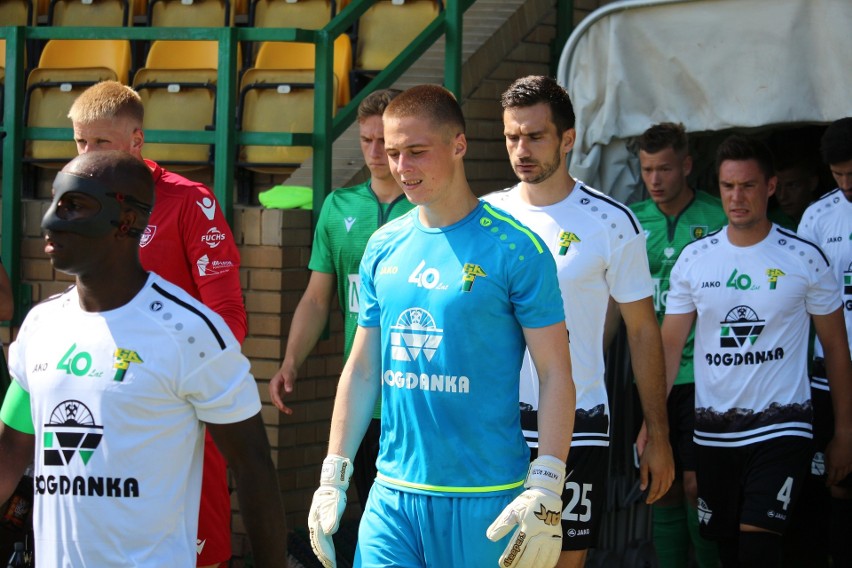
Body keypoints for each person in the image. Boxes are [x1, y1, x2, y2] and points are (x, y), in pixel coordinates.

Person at [307, 84, 576, 568]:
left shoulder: (517, 249)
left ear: (458, 145)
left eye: (416, 152)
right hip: (391, 497)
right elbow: (364, 368)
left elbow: (556, 372)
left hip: (487, 498)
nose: (402, 168)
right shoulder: (382, 246)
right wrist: (334, 473)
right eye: (392, 153)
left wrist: (548, 481)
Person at [0, 151, 288, 567]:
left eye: (74, 205)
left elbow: (254, 467)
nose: (50, 219)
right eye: (53, 201)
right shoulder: (40, 326)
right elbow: (10, 449)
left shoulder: (192, 333)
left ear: (126, 222)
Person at [482, 75, 674, 568]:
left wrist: (659, 434)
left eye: (535, 135)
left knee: (561, 564)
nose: (521, 149)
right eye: (511, 137)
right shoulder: (483, 217)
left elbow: (643, 332)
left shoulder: (613, 222)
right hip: (493, 425)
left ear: (568, 139)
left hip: (578, 426)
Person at [67, 80, 246, 568]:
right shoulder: (76, 205)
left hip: (176, 409)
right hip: (101, 408)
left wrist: (163, 376)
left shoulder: (189, 201)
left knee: (199, 555)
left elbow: (229, 320)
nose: (87, 154)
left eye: (100, 142)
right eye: (81, 142)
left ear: (136, 140)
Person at [661, 134, 852, 568]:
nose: (737, 197)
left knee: (759, 544)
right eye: (728, 187)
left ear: (770, 186)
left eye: (747, 185)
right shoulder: (694, 258)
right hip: (714, 432)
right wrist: (653, 423)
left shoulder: (805, 257)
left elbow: (836, 349)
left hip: (782, 427)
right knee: (728, 548)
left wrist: (846, 432)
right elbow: (668, 347)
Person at [269, 88, 414, 507]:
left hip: (421, 391)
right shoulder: (338, 207)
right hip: (363, 400)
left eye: (383, 141)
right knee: (372, 518)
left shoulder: (430, 208)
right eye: (366, 140)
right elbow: (316, 299)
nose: (374, 151)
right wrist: (290, 362)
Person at [630, 122, 726, 568]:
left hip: (704, 376)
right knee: (660, 484)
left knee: (696, 485)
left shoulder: (719, 216)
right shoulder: (630, 222)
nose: (655, 179)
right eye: (647, 169)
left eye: (664, 168)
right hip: (649, 372)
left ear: (686, 165)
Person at [795, 117, 852, 568]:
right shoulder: (818, 216)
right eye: (839, 174)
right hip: (827, 373)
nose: (848, 183)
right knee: (832, 480)